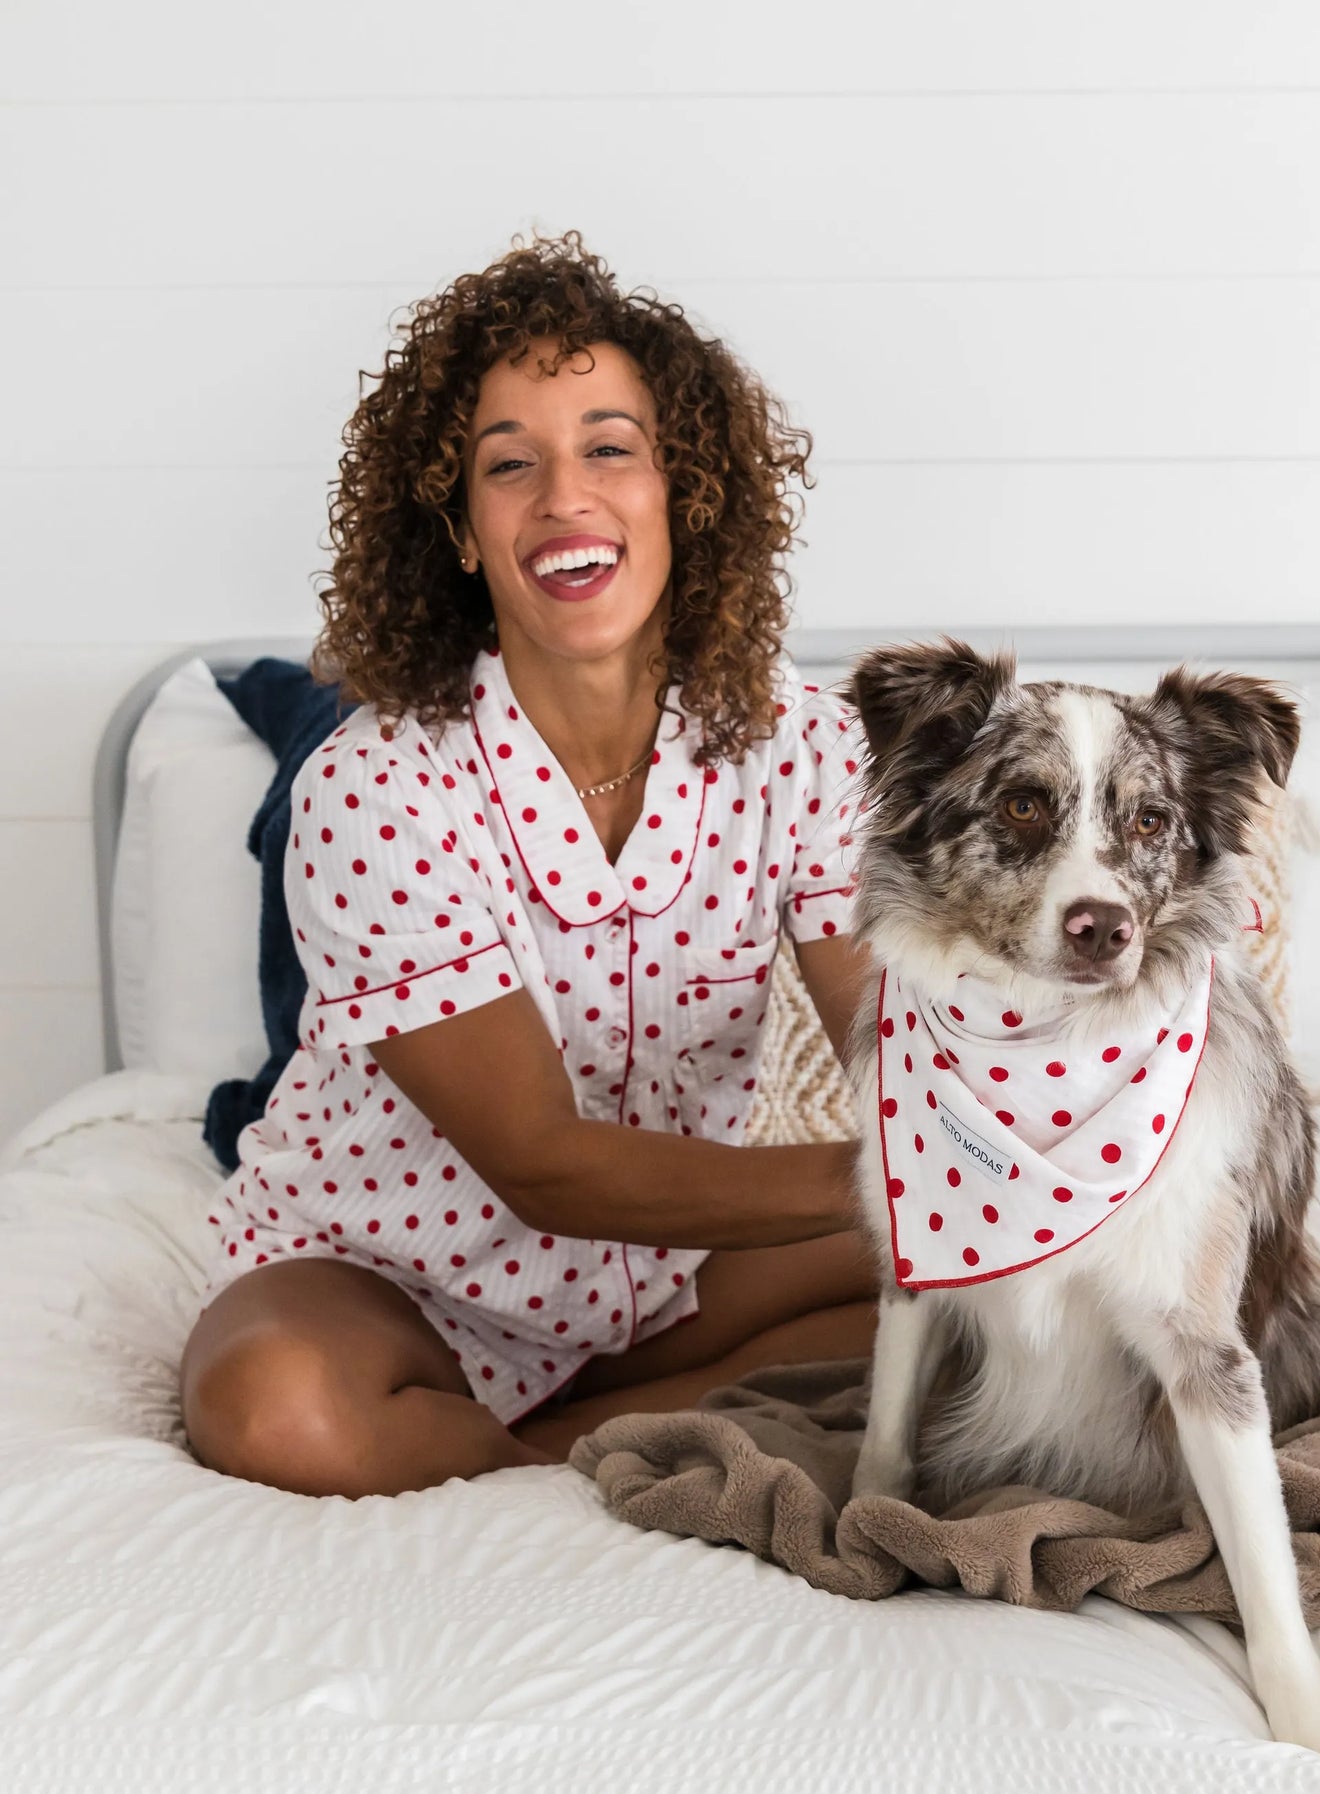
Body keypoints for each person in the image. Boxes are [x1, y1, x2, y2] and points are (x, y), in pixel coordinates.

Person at [179, 229, 879, 1500]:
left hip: (669, 1281)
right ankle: (609, 1433)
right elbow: (541, 1160)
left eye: (609, 448)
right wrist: (892, 1176)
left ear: (685, 490)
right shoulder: (372, 788)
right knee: (271, 1406)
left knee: (996, 1297)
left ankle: (555, 1445)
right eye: (510, 466)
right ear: (458, 527)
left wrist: (1010, 1158)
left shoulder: (810, 745)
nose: (565, 497)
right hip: (394, 1287)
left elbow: (894, 1044)